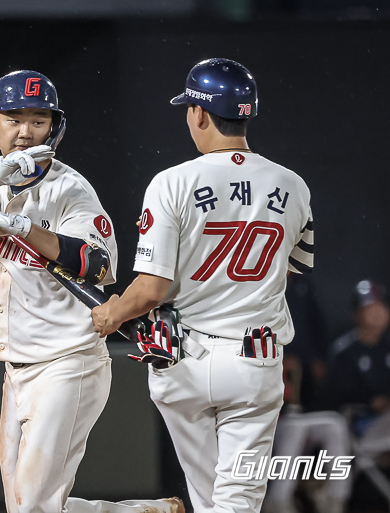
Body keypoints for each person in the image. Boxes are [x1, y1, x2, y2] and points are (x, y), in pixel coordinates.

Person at [0, 70, 183, 513]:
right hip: (16, 367)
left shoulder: (69, 188)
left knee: (32, 508)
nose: (25, 132)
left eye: (38, 120)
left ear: (54, 126)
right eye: (14, 119)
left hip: (68, 362)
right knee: (31, 508)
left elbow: (99, 266)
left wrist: (26, 229)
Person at [92, 58, 315, 512]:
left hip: (182, 363)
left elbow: (152, 288)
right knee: (235, 501)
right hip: (253, 358)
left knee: (210, 499)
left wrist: (114, 311)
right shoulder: (293, 186)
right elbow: (291, 271)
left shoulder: (172, 182)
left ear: (199, 113)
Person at [324, 280, 390, 463]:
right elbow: (335, 397)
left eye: (381, 306)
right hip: (360, 424)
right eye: (370, 307)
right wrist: (370, 401)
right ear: (357, 314)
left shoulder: (387, 347)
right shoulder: (344, 351)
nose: (378, 312)